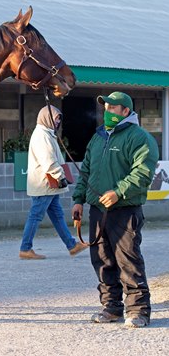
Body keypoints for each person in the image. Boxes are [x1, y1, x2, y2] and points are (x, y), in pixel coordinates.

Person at [72, 91, 159, 328]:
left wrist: (119, 191)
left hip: (124, 210)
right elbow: (86, 171)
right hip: (97, 210)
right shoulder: (98, 137)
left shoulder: (139, 137)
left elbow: (142, 172)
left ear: (126, 111)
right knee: (102, 260)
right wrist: (78, 199)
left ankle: (138, 310)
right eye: (106, 107)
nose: (107, 111)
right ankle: (111, 308)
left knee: (128, 260)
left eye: (113, 107)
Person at [19, 105, 87, 260]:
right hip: (45, 184)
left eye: (58, 119)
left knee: (56, 215)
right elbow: (48, 161)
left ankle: (72, 245)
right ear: (47, 118)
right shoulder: (43, 135)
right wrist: (60, 176)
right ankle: (25, 248)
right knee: (36, 216)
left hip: (48, 184)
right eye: (56, 119)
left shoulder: (46, 134)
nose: (57, 122)